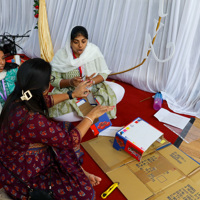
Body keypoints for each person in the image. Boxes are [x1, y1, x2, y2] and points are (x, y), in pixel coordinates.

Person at [0, 58, 114, 200]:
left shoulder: (16, 99)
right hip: (23, 175)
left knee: (64, 127)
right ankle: (75, 171)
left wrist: (72, 93)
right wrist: (91, 116)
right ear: (45, 88)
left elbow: (44, 101)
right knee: (86, 193)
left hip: (15, 159)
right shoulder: (32, 120)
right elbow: (70, 141)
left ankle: (77, 170)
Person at [49, 26, 125, 122]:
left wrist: (92, 81)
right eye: (76, 42)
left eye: (83, 41)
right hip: (70, 92)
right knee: (57, 112)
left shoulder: (93, 51)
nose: (80, 45)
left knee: (119, 90)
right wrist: (71, 82)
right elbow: (53, 80)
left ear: (87, 41)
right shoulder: (61, 55)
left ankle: (85, 113)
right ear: (70, 42)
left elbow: (104, 73)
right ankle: (92, 111)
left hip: (92, 88)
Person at [0, 47, 18, 112]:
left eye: (3, 58)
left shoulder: (11, 71)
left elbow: (24, 84)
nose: (2, 62)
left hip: (16, 109)